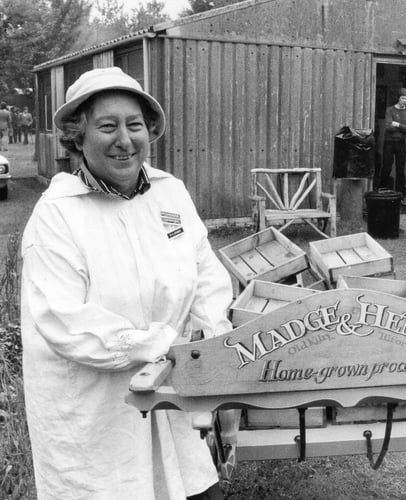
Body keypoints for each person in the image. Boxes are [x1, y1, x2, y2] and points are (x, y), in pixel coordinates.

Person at [21, 67, 232, 500]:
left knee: (186, 486)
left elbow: (204, 271)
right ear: (78, 137)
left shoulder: (168, 193)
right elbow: (61, 318)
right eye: (107, 126)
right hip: (96, 407)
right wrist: (157, 347)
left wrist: (212, 342)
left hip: (172, 391)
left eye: (134, 125)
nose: (124, 140)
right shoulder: (58, 214)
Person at [379, 87, 406, 196]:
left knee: (400, 169)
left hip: (401, 143)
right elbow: (388, 127)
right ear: (398, 98)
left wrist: (397, 124)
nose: (405, 101)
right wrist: (404, 127)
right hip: (389, 142)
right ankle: (382, 190)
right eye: (403, 98)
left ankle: (400, 194)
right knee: (387, 167)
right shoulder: (390, 110)